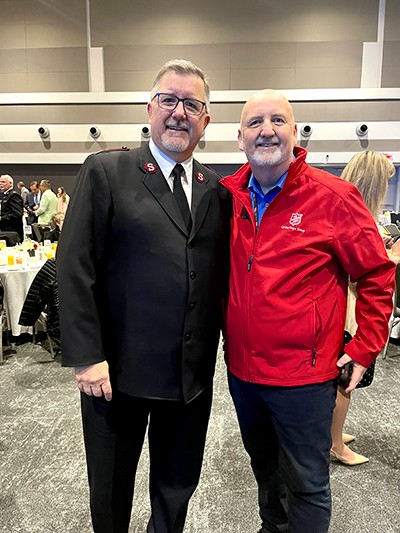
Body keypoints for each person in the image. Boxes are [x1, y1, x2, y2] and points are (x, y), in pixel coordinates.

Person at [57, 59, 230, 533]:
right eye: (168, 100)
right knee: (112, 490)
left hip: (188, 377)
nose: (179, 112)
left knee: (177, 486)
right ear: (150, 109)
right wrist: (86, 357)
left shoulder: (216, 190)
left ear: (205, 121)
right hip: (115, 375)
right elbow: (75, 267)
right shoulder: (106, 171)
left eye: (191, 104)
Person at [220, 90, 395, 533]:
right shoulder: (228, 199)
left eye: (278, 120)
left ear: (295, 133)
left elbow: (377, 273)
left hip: (304, 377)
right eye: (255, 122)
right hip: (244, 374)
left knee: (307, 485)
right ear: (240, 138)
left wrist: (365, 346)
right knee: (265, 472)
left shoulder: (334, 198)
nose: (266, 130)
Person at [330, 150, 396, 466]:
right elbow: (361, 275)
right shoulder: (360, 221)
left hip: (347, 309)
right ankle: (333, 444)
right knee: (345, 381)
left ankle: (333, 433)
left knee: (343, 380)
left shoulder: (343, 214)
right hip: (351, 314)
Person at [0, 174, 24, 241]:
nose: (1, 184)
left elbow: (17, 214)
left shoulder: (14, 196)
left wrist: (2, 218)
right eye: (0, 182)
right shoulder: (5, 196)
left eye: (3, 182)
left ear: (10, 183)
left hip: (12, 232)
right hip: (6, 230)